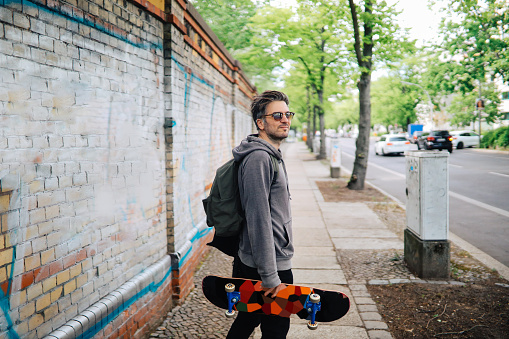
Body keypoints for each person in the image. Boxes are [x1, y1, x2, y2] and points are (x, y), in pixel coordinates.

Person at [227, 90, 295, 339]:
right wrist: (270, 276)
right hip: (266, 265)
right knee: (275, 330)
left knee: (248, 321)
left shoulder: (270, 154)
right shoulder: (258, 159)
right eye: (277, 115)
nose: (285, 119)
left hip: (264, 261)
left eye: (287, 114)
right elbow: (258, 220)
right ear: (260, 123)